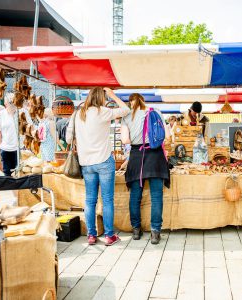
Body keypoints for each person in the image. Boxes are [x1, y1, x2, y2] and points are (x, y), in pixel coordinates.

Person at [66, 87, 129, 246]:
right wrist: (113, 94)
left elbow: (68, 139)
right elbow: (126, 109)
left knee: (90, 200)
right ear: (101, 97)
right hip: (104, 161)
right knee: (107, 200)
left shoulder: (79, 113)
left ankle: (91, 235)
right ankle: (109, 236)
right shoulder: (103, 111)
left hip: (86, 162)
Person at [121, 93, 170, 245]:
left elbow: (125, 140)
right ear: (143, 101)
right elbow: (166, 136)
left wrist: (136, 138)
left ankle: (136, 230)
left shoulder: (127, 116)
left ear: (131, 103)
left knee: (135, 196)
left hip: (137, 157)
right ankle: (155, 232)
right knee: (156, 197)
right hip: (156, 157)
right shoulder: (156, 112)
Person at [0, 93, 18, 176]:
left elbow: (30, 128)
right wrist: (0, 146)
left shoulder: (22, 112)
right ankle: (12, 189)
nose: (12, 103)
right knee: (7, 175)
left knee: (19, 174)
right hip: (5, 149)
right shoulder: (1, 114)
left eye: (13, 101)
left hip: (19, 149)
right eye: (10, 102)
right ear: (6, 104)